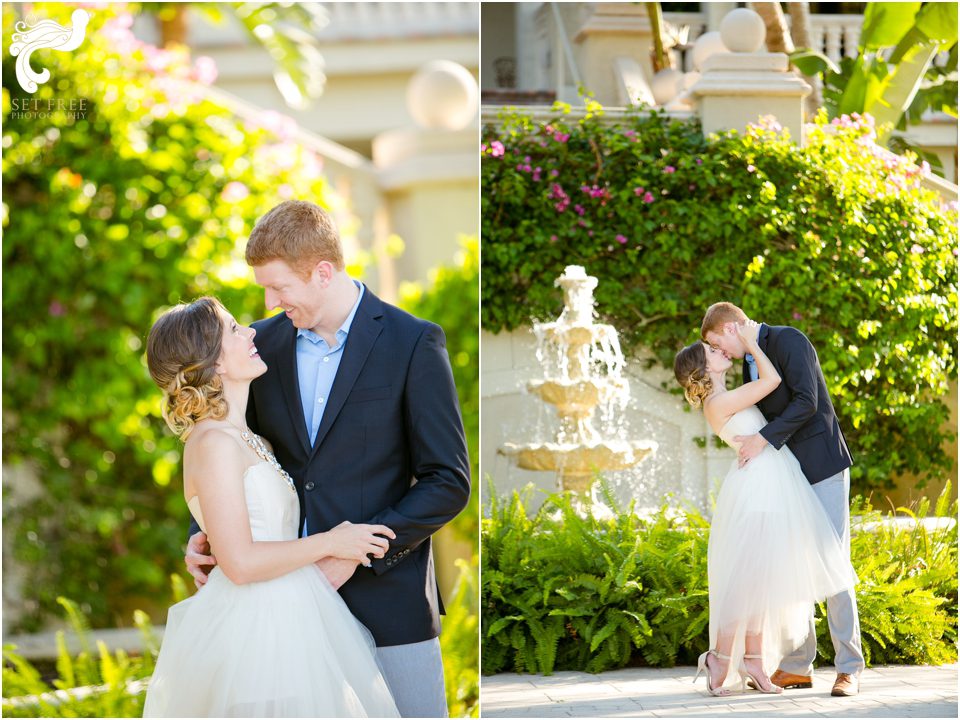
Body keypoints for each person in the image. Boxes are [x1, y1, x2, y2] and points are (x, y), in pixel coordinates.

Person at [184, 200, 471, 718]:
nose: (269, 302)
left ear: (322, 272)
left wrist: (354, 551)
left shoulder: (412, 342)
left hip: (390, 604)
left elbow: (447, 481)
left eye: (279, 287)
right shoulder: (257, 348)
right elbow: (229, 450)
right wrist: (204, 534)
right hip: (277, 615)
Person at [142, 297, 400, 717]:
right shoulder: (212, 443)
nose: (251, 333)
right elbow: (240, 562)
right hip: (253, 634)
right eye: (233, 330)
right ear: (215, 362)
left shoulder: (254, 440)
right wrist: (332, 543)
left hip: (295, 616)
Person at [674, 318, 857, 696]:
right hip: (775, 481)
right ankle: (794, 665)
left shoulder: (788, 340)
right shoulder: (738, 374)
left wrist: (761, 439)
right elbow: (769, 396)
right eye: (712, 350)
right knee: (776, 573)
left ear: (730, 327)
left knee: (832, 564)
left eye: (715, 342)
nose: (721, 351)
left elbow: (806, 401)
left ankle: (848, 668)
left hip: (818, 465)